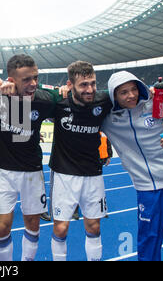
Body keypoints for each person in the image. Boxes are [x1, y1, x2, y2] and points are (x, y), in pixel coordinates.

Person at [102, 70, 163, 261]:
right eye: (123, 92)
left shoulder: (158, 102)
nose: (131, 95)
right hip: (147, 189)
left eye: (133, 89)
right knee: (148, 244)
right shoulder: (107, 118)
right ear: (113, 95)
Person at [0, 54, 63, 261]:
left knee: (33, 224)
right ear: (11, 81)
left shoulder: (45, 99)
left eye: (35, 78)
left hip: (32, 170)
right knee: (3, 226)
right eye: (26, 80)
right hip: (3, 170)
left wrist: (67, 90)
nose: (33, 84)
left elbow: (74, 98)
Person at [49, 61, 112, 261]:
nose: (90, 89)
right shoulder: (58, 103)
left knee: (94, 226)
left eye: (93, 83)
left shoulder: (103, 101)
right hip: (63, 173)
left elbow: (131, 93)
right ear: (70, 84)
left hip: (93, 173)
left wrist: (153, 92)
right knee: (61, 228)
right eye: (84, 85)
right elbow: (29, 90)